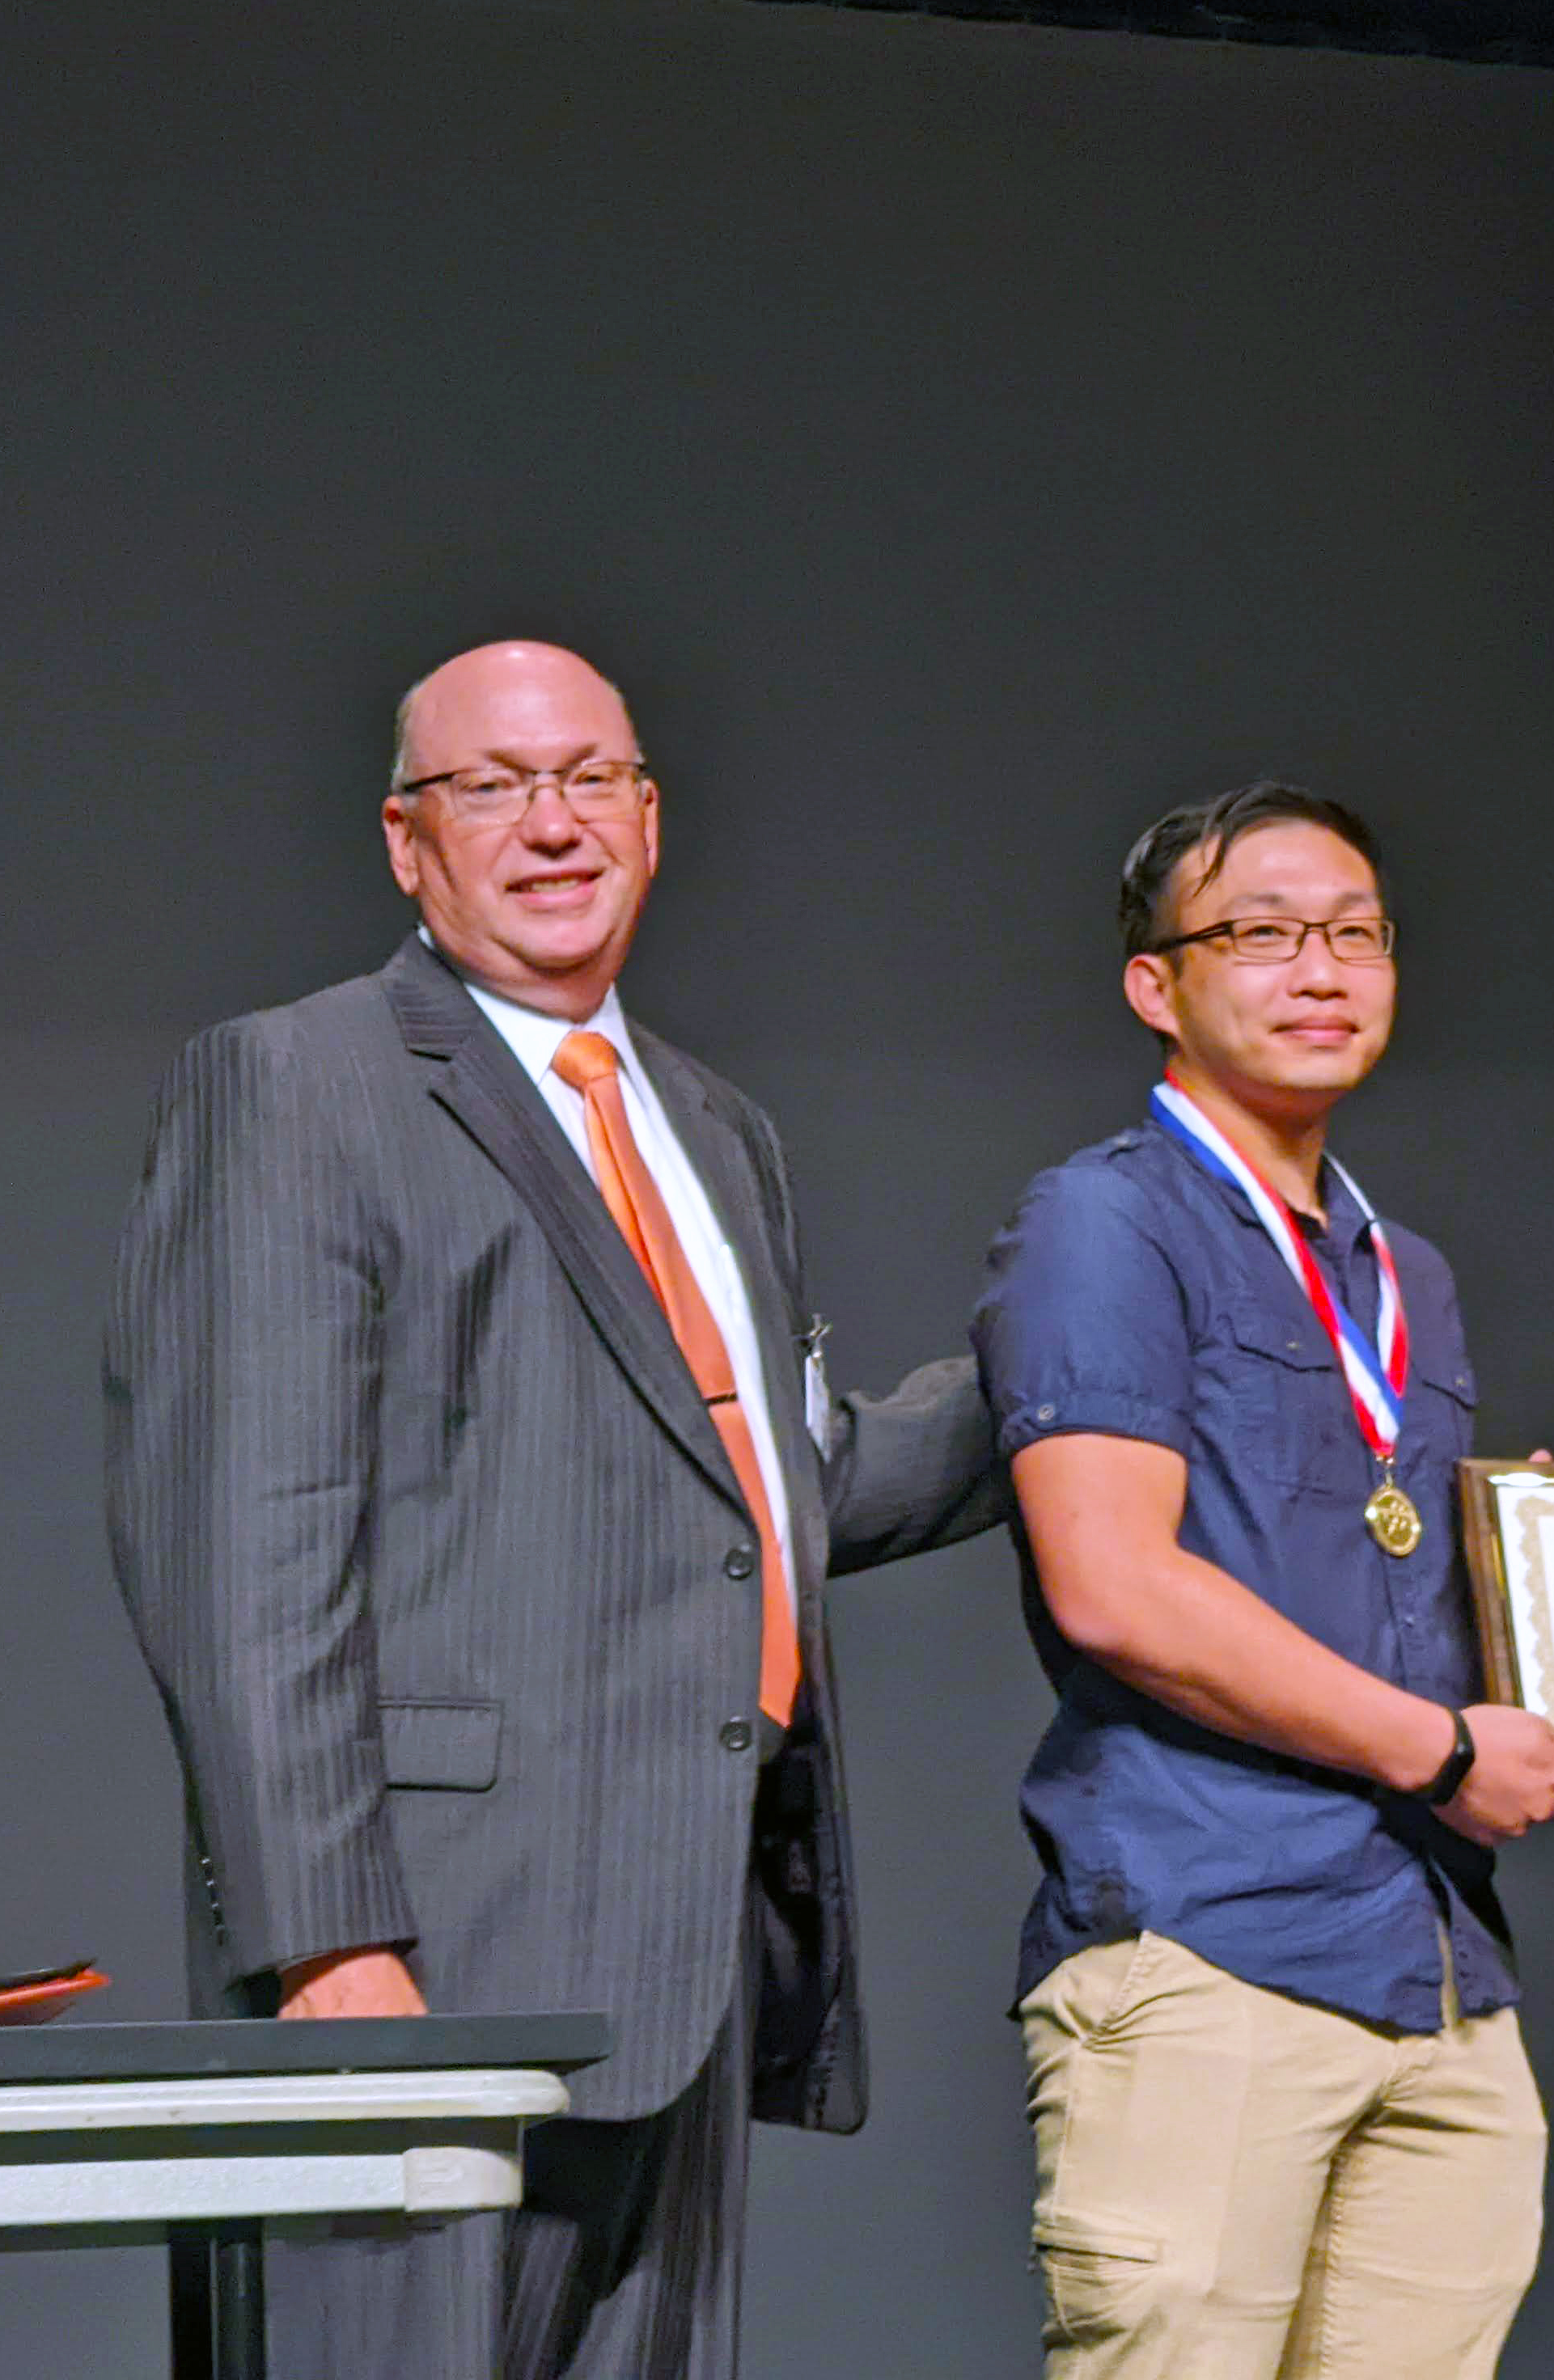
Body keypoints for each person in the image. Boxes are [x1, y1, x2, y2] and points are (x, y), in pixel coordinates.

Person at [105, 640, 1001, 2380]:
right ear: (404, 840)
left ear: (652, 820)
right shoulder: (300, 1081)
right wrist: (328, 1943)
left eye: (588, 778)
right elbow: (241, 1547)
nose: (550, 824)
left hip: (686, 1952)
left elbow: (776, 1501)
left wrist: (1091, 1365)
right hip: (431, 1947)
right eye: (491, 786)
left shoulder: (714, 1129)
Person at [972, 782, 1554, 2379]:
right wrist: (1437, 1751)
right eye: (1265, 934)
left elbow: (1367, 1575)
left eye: (1357, 934)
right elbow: (1113, 1589)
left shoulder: (1401, 1271)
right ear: (1158, 985)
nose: (1322, 969)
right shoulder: (1104, 1222)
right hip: (1210, 1944)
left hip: (1432, 1965)